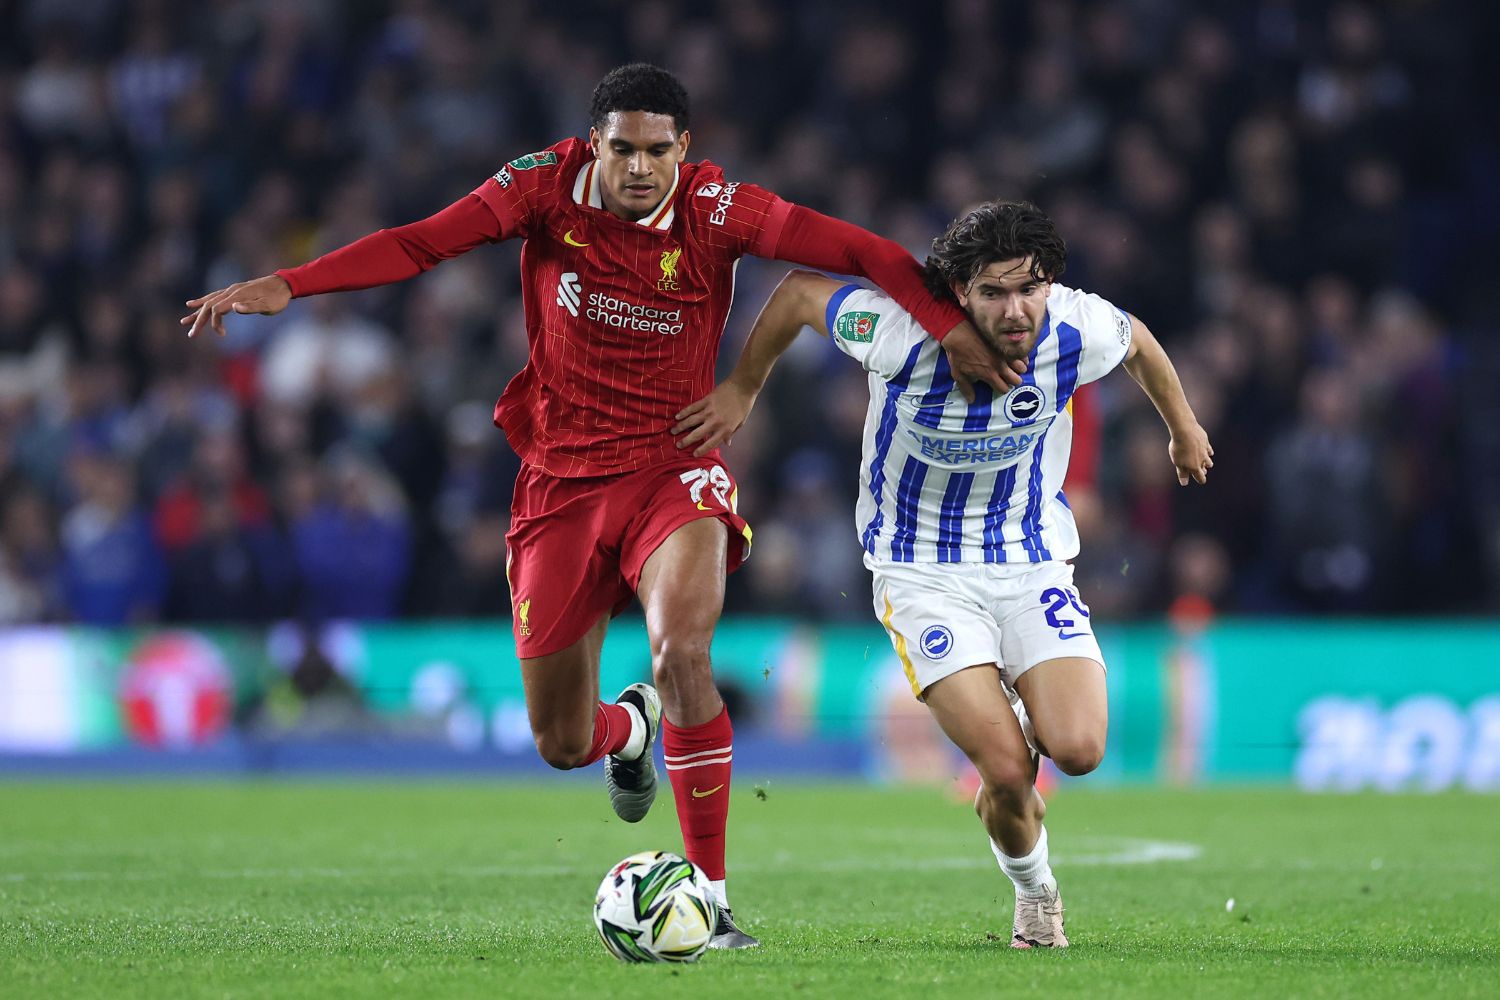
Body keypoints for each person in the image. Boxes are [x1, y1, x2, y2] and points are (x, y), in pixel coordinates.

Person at [181, 63, 1024, 949]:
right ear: (595, 146)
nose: (639, 168)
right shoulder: (543, 188)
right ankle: (630, 733)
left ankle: (713, 894)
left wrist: (945, 324)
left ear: (684, 149)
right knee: (560, 739)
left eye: (658, 151)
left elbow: (856, 248)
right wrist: (293, 282)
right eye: (622, 149)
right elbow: (424, 241)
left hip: (674, 467)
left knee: (682, 651)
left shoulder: (717, 210)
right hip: (559, 484)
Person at [673, 199, 1213, 948]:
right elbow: (799, 293)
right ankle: (1036, 893)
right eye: (992, 291)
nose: (1016, 308)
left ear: (1049, 282)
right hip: (920, 573)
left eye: (1028, 287)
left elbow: (1140, 343)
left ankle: (1015, 728)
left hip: (1029, 562)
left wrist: (1182, 426)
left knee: (1081, 751)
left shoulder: (1075, 327)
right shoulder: (894, 331)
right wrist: (743, 387)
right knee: (1006, 768)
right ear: (958, 293)